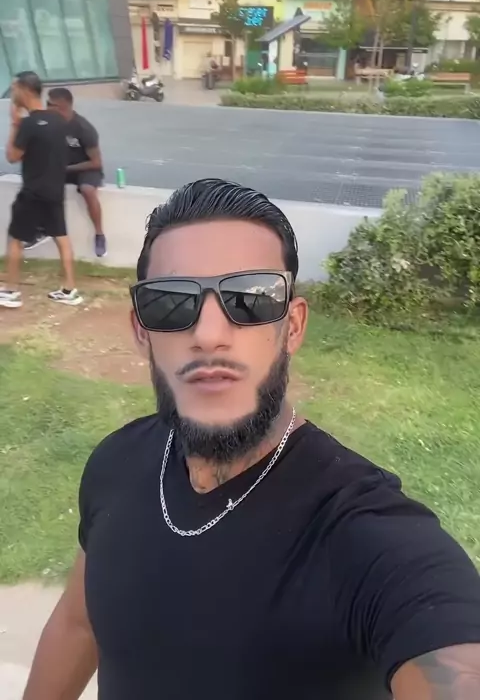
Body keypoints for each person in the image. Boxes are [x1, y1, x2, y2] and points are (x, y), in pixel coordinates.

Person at [23, 178, 480, 700]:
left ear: (294, 326)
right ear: (141, 331)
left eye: (251, 298)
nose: (209, 335)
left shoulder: (366, 537)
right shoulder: (116, 464)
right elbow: (80, 624)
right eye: (171, 303)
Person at [0, 72, 82, 310]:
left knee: (16, 239)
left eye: (15, 88)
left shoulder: (28, 123)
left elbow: (12, 156)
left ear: (25, 89)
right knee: (61, 238)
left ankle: (11, 291)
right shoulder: (59, 121)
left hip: (33, 192)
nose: (13, 93)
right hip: (55, 190)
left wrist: (15, 124)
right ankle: (69, 290)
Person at [47, 88, 107, 258]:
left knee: (88, 190)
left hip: (86, 168)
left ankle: (99, 234)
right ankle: (42, 229)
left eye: (50, 104)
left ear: (62, 107)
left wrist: (65, 168)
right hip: (63, 167)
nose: (46, 107)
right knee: (38, 184)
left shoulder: (84, 128)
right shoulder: (50, 125)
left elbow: (96, 162)